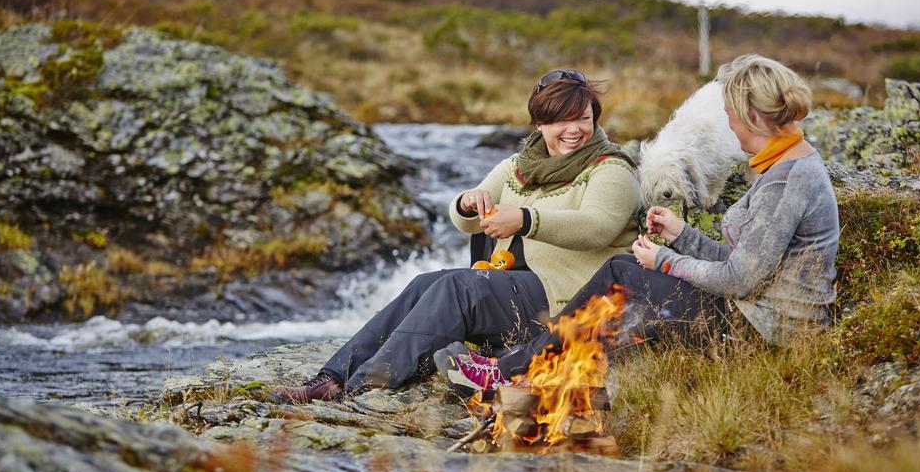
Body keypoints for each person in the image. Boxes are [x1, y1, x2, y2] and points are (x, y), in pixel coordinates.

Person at [437, 54, 840, 394]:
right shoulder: (784, 164)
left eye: (731, 115)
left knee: (622, 273)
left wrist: (665, 260)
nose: (729, 126)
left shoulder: (787, 179)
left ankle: (508, 373)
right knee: (624, 269)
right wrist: (683, 235)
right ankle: (536, 368)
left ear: (752, 116)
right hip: (754, 311)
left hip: (764, 330)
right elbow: (751, 263)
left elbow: (740, 279)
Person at [275, 69, 641, 402]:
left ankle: (364, 388)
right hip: (516, 287)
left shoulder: (610, 169)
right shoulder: (518, 167)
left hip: (569, 299)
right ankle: (331, 379)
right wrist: (467, 203)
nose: (574, 129)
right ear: (539, 124)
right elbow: (464, 219)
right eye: (561, 120)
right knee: (427, 282)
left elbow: (598, 226)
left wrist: (526, 219)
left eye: (583, 118)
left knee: (459, 288)